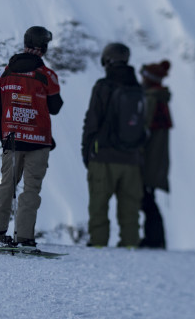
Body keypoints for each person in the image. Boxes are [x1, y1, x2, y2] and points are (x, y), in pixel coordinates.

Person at [0, 25, 63, 247]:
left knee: (6, 185)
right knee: (31, 189)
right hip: (39, 142)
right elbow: (55, 107)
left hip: (11, 139)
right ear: (44, 47)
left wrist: (3, 135)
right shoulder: (47, 75)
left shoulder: (4, 72)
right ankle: (25, 237)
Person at [82, 42, 147, 248]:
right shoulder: (138, 89)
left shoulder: (103, 86)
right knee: (130, 211)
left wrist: (87, 152)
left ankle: (99, 249)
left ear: (107, 60)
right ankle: (130, 248)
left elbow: (92, 121)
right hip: (132, 159)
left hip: (104, 157)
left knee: (99, 208)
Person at [139, 60, 172, 249]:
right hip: (157, 160)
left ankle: (154, 239)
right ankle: (155, 238)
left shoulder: (151, 99)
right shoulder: (160, 98)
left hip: (148, 160)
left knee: (145, 199)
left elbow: (145, 130)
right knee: (147, 198)